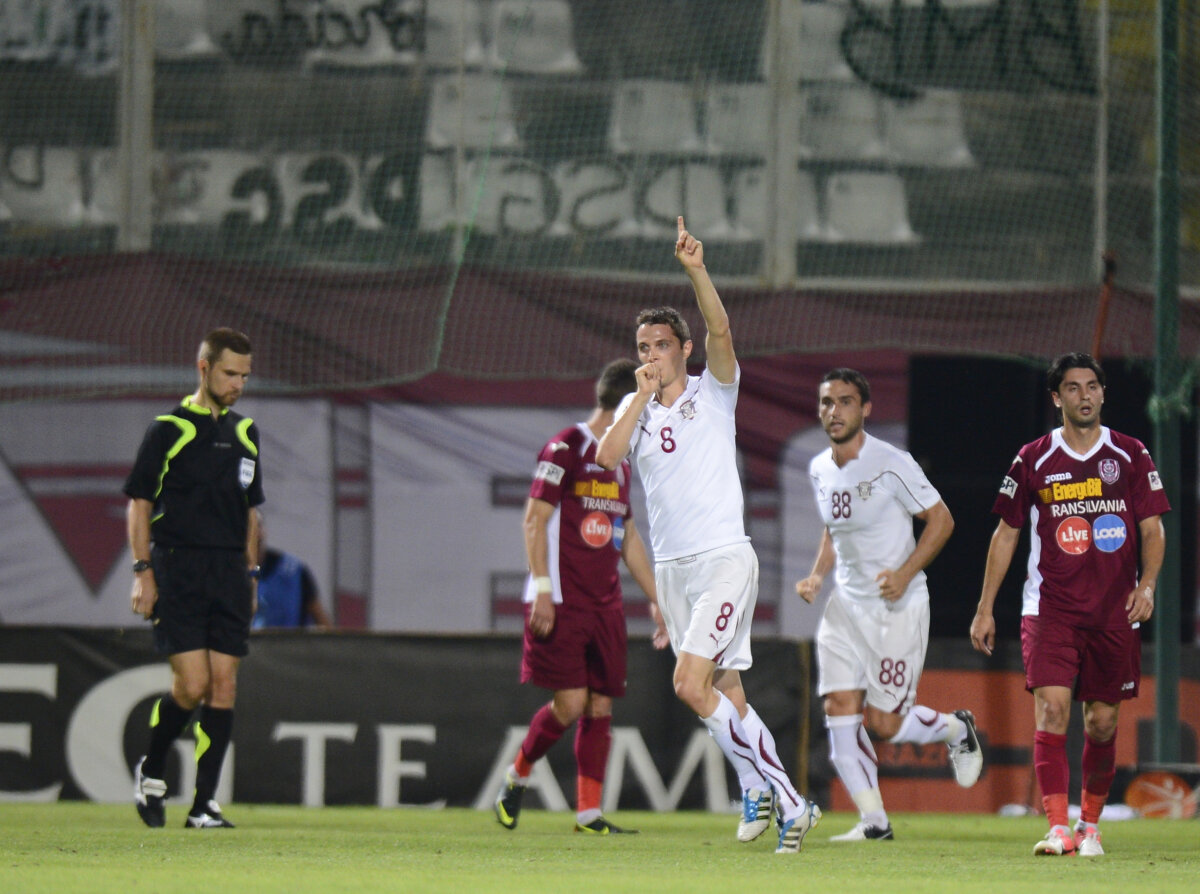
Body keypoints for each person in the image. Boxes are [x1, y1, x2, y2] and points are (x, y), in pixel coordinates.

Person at [596, 217, 822, 854]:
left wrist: (696, 270)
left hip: (723, 558)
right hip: (674, 570)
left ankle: (790, 799)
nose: (651, 356)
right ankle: (756, 789)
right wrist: (638, 401)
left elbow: (722, 331)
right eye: (643, 347)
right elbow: (607, 459)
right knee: (724, 689)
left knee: (689, 685)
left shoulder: (714, 393)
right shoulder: (635, 410)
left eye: (661, 346)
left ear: (684, 350)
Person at [970, 352, 1168, 857]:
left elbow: (1152, 529)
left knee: (1102, 722)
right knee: (1053, 709)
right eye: (1074, 388)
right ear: (1057, 398)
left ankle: (1090, 825)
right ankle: (1058, 828)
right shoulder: (1033, 458)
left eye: (1092, 386)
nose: (1085, 396)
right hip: (1050, 609)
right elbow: (1006, 533)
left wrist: (1147, 586)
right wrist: (985, 606)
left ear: (1102, 393)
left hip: (1115, 611)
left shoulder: (1130, 454)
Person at [794, 369, 983, 842]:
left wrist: (904, 572)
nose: (834, 411)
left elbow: (941, 520)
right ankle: (874, 822)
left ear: (865, 409)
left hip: (897, 607)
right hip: (845, 607)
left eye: (845, 401)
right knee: (839, 706)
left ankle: (956, 729)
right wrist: (817, 574)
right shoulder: (819, 468)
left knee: (884, 724)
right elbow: (834, 528)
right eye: (826, 402)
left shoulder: (891, 462)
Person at [494, 359, 668, 835]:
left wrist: (657, 599)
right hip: (561, 598)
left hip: (604, 603)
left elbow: (627, 536)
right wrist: (542, 589)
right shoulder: (566, 446)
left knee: (600, 705)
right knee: (570, 704)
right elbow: (534, 520)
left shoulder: (620, 463)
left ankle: (589, 814)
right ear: (627, 404)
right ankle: (516, 776)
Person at [125, 327, 264, 829]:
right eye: (230, 373)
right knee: (193, 684)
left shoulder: (246, 433)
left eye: (244, 376)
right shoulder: (168, 429)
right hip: (177, 567)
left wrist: (251, 574)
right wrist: (143, 572)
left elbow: (251, 513)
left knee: (224, 686)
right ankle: (152, 769)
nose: (238, 384)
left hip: (229, 571)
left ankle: (204, 804)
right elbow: (140, 505)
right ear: (203, 369)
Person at [251, 513, 333, 629]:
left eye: (258, 526)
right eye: (250, 527)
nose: (256, 534)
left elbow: (320, 618)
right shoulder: (230, 574)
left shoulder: (293, 572)